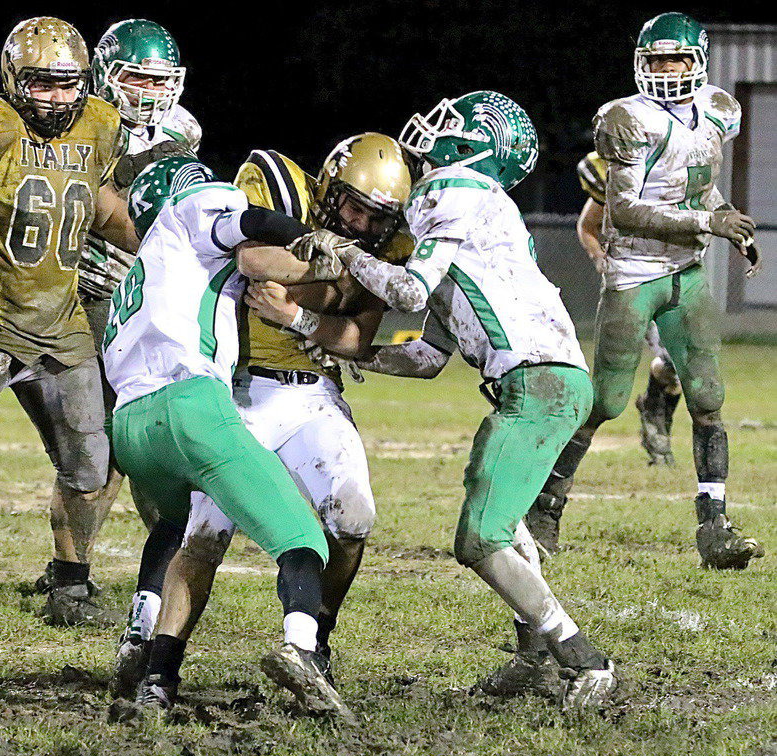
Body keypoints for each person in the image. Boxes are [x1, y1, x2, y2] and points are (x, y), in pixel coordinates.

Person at [283, 91, 618, 709]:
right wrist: (337, 346)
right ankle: (535, 659)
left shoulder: (460, 190)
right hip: (537, 383)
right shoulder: (454, 229)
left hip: (541, 383)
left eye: (456, 123)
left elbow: (407, 291)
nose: (436, 128)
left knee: (479, 539)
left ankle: (584, 661)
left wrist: (348, 253)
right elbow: (427, 356)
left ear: (478, 146)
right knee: (505, 521)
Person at [111, 133, 413, 696]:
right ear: (328, 188)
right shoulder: (278, 182)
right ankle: (161, 666)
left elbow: (356, 335)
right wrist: (341, 278)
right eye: (354, 209)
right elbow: (253, 264)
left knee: (353, 519)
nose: (364, 227)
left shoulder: (388, 245)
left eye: (378, 220)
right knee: (204, 536)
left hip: (313, 395)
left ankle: (312, 647)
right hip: (240, 392)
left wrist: (301, 313)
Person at [525, 13, 765, 569]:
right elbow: (626, 210)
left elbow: (700, 191)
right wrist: (708, 225)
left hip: (688, 273)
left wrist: (727, 219)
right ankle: (545, 508)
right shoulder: (625, 119)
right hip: (634, 275)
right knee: (605, 400)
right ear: (641, 63)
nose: (666, 69)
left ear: (698, 62)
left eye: (676, 59)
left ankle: (716, 527)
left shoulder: (716, 114)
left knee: (707, 397)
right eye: (656, 60)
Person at [0, 17, 138, 625]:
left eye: (69, 84)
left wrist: (154, 241)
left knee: (91, 464)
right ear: (14, 78)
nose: (58, 98)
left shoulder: (99, 123)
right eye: (43, 83)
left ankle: (70, 585)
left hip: (60, 324)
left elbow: (101, 204)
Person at [38, 18, 203, 599]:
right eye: (136, 77)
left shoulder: (180, 132)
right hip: (63, 295)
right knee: (98, 447)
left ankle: (85, 574)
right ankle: (73, 573)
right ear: (107, 76)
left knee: (124, 442)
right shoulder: (75, 121)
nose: (149, 92)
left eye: (160, 80)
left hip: (132, 299)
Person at [576, 151, 683, 469]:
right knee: (609, 382)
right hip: (630, 284)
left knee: (675, 366)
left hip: (667, 277)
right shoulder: (614, 187)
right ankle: (562, 458)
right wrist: (599, 258)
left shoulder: (667, 183)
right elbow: (587, 227)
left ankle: (654, 412)